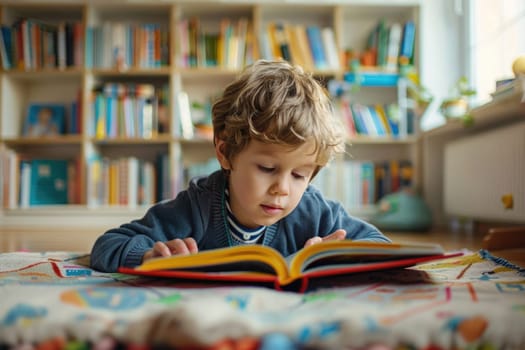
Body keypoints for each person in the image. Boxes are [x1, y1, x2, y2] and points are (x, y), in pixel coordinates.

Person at [90, 59, 390, 272]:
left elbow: (380, 245)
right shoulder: (196, 208)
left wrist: (338, 254)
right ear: (225, 152)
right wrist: (146, 255)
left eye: (300, 175)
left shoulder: (315, 212)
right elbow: (108, 245)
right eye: (267, 168)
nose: (282, 189)